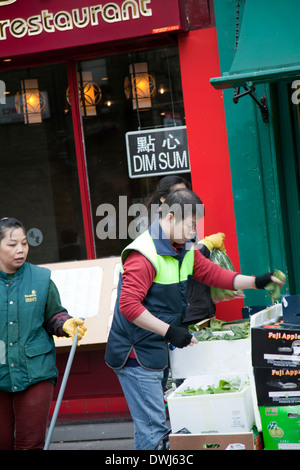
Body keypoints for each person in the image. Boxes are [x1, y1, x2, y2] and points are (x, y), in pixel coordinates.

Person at [105, 189, 285, 450]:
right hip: (135, 354)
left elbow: (215, 275)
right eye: (190, 225)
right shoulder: (142, 254)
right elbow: (129, 306)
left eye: (195, 225)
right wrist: (170, 331)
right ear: (169, 218)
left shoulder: (183, 248)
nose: (193, 232)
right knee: (154, 429)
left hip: (155, 346)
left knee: (152, 427)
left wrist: (258, 281)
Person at [0, 217, 87, 450]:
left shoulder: (40, 279)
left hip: (35, 370)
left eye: (25, 243)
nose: (20, 250)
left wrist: (65, 324)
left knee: (30, 443)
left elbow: (54, 315)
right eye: (12, 244)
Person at [146, 175, 227, 325]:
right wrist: (206, 246)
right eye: (178, 193)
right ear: (163, 199)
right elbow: (179, 257)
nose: (184, 198)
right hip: (185, 316)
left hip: (199, 310)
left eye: (186, 192)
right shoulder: (160, 225)